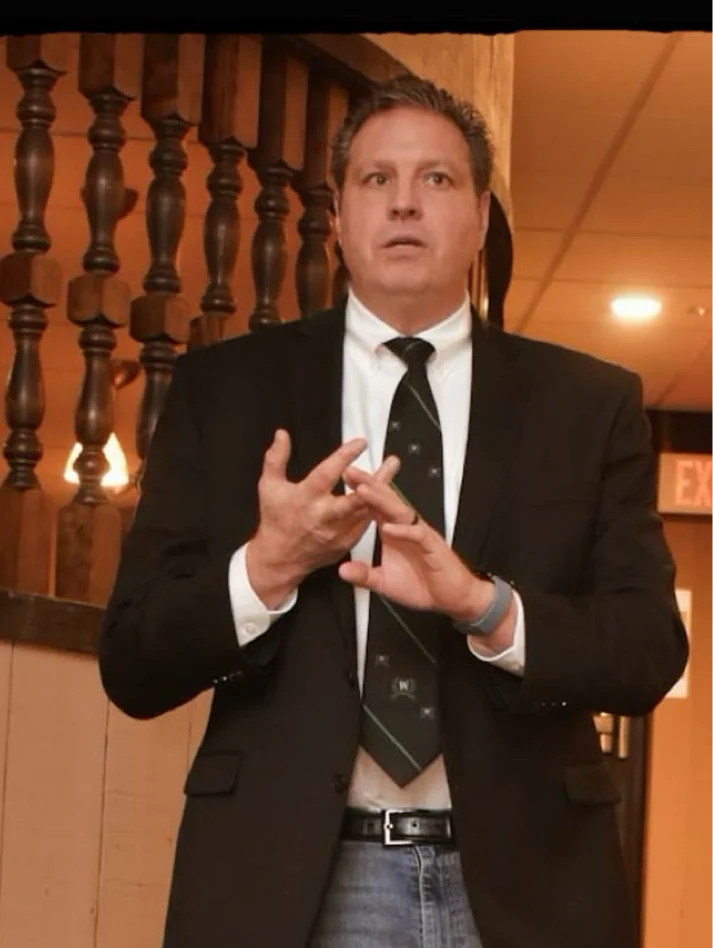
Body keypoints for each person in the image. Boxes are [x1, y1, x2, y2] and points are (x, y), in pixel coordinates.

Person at [99, 75, 688, 948]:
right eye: (377, 179)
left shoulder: (587, 404)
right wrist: (267, 568)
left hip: (530, 884)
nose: (404, 202)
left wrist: (487, 608)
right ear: (338, 216)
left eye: (436, 179)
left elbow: (647, 651)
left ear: (479, 218)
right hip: (287, 883)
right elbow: (133, 665)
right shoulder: (225, 390)